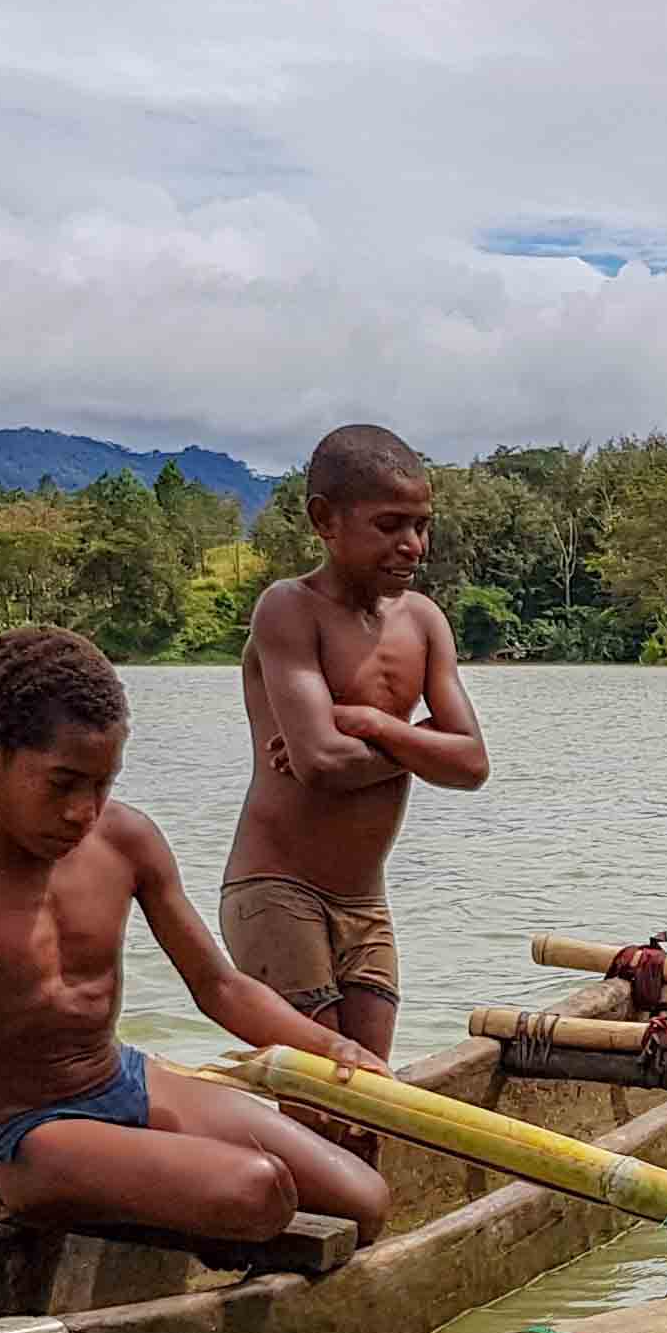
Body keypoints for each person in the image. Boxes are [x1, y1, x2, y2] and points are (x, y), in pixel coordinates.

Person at [0, 625, 391, 1323]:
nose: (83, 811)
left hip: (122, 1080)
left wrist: (331, 1050)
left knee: (366, 1199)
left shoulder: (126, 839)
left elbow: (220, 987)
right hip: (28, 1136)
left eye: (102, 785)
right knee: (258, 1191)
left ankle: (151, 1185)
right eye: (62, 784)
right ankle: (118, 1194)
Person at [223, 423, 490, 1064]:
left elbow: (473, 762)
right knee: (324, 1098)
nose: (413, 545)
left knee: (371, 1105)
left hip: (365, 900)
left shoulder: (423, 621)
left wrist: (370, 724)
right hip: (277, 890)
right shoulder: (289, 610)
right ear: (325, 521)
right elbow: (320, 763)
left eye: (422, 526)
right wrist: (421, 744)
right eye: (390, 525)